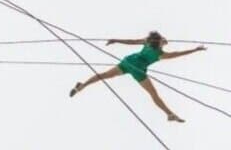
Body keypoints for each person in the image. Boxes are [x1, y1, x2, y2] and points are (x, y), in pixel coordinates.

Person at [69, 32, 206, 123]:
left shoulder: (147, 42)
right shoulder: (161, 54)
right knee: (153, 94)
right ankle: (169, 113)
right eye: (163, 40)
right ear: (159, 43)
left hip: (129, 62)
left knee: (103, 75)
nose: (165, 40)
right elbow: (178, 54)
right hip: (138, 70)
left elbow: (131, 41)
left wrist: (116, 40)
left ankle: (82, 86)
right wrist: (195, 50)